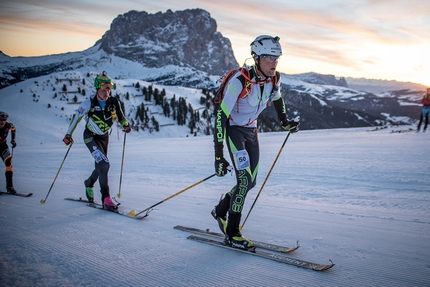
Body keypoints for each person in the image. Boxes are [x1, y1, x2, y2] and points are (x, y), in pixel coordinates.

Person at [211, 35, 300, 250]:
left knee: (250, 183)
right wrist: (218, 155)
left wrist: (285, 122)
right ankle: (232, 233)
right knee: (243, 182)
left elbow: (277, 99)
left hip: (252, 132)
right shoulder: (239, 81)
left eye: (277, 57)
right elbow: (221, 117)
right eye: (269, 57)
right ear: (257, 58)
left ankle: (220, 210)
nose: (274, 62)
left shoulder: (273, 79)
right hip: (233, 132)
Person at [63, 71, 131, 210]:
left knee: (100, 167)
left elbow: (121, 116)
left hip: (104, 137)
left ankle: (89, 183)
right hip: (90, 137)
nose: (107, 92)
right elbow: (76, 118)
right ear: (98, 88)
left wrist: (125, 125)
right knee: (105, 164)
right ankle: (106, 198)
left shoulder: (114, 101)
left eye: (109, 88)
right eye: (104, 88)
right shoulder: (89, 103)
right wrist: (68, 135)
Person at [0, 111, 17, 194]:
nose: (2, 122)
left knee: (9, 165)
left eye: (4, 120)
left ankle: (10, 187)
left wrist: (13, 140)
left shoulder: (8, 125)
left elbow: (14, 129)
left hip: (3, 146)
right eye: (0, 120)